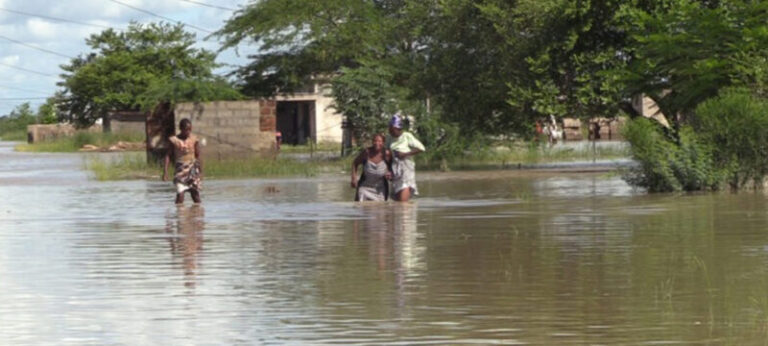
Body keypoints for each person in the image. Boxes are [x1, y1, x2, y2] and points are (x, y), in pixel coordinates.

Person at [163, 118, 203, 204]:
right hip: (180, 170)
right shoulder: (174, 140)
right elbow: (168, 155)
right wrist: (165, 171)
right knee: (180, 195)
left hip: (192, 170)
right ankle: (179, 214)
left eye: (190, 129)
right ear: (181, 129)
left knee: (195, 195)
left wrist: (200, 171)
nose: (188, 132)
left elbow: (198, 155)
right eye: (186, 130)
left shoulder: (194, 140)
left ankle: (197, 214)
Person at [387, 113, 425, 202]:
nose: (391, 132)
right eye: (389, 130)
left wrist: (405, 154)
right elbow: (386, 153)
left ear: (398, 129)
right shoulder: (389, 138)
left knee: (403, 203)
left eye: (392, 130)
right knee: (397, 201)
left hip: (406, 169)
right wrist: (388, 170)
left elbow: (421, 148)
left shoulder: (406, 136)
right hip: (395, 169)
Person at [351, 133, 393, 201]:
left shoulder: (387, 154)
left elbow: (391, 168)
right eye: (375, 141)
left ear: (383, 143)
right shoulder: (367, 152)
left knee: (381, 210)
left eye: (379, 141)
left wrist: (390, 174)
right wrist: (354, 178)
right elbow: (355, 163)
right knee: (360, 208)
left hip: (380, 189)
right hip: (364, 187)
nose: (377, 143)